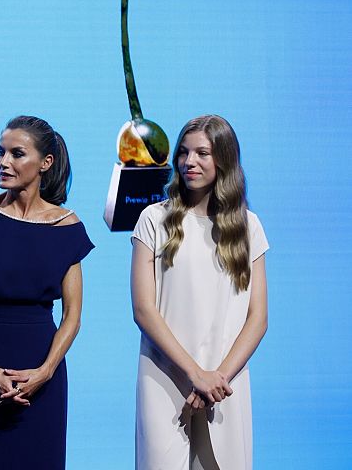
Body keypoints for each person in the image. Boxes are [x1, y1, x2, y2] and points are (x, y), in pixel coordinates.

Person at [0, 115, 94, 470]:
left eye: (16, 153)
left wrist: (45, 371)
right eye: (1, 152)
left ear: (46, 163)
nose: (4, 162)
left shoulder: (67, 227)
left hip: (42, 374)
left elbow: (72, 316)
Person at [131, 114, 269, 470]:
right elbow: (143, 309)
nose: (189, 162)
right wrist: (195, 374)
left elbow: (257, 318)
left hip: (225, 383)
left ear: (223, 159)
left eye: (202, 153)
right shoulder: (153, 219)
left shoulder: (249, 227)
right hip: (164, 376)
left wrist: (216, 378)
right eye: (184, 152)